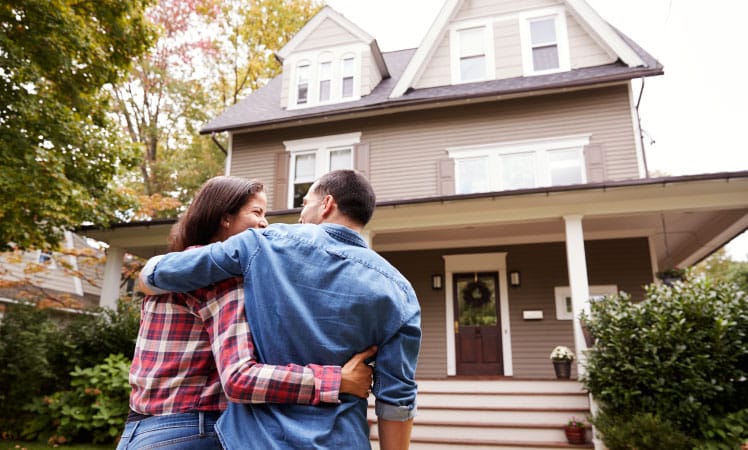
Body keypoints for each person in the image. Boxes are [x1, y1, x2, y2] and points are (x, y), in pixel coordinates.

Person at [140, 170, 421, 450]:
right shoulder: (400, 291)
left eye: (305, 203)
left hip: (258, 441)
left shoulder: (262, 244)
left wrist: (148, 276)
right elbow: (397, 399)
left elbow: (162, 272)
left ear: (327, 205)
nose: (300, 214)